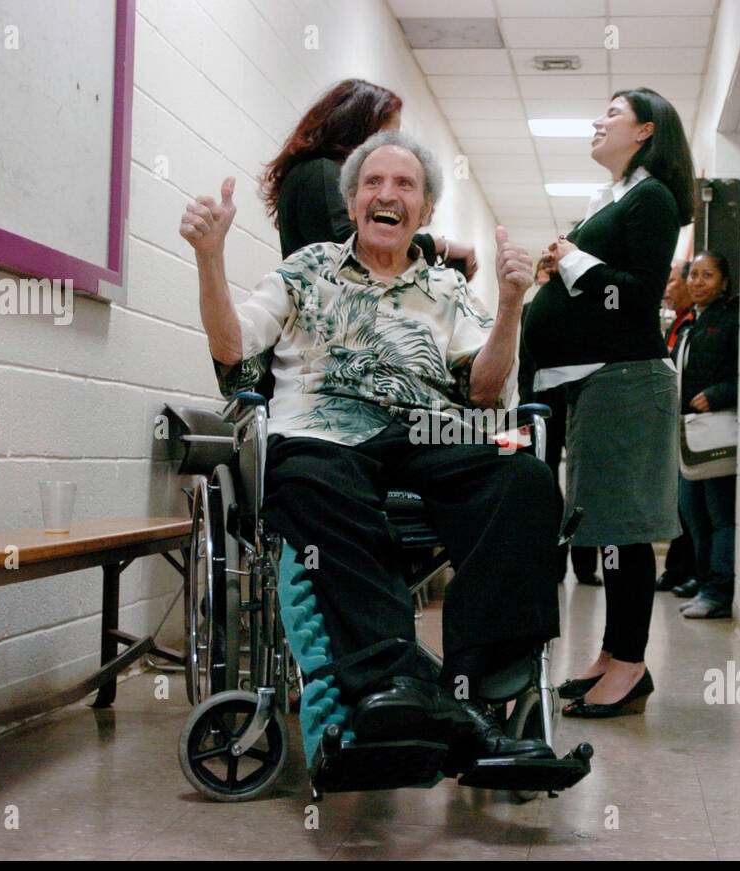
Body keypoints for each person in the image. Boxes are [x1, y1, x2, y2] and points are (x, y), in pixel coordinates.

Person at [180, 130, 557, 770]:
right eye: (373, 183)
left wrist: (512, 307)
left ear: (425, 209)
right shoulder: (304, 269)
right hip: (324, 431)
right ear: (353, 200)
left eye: (404, 185)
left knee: (521, 470)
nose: (387, 195)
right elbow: (233, 348)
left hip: (428, 427)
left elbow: (487, 390)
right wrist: (209, 258)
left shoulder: (449, 289)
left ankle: (476, 693)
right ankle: (395, 683)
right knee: (306, 481)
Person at [522, 88, 695, 718]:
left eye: (612, 113)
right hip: (596, 381)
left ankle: (630, 667)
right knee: (604, 528)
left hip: (624, 380)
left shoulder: (652, 198)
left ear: (646, 131)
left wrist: (572, 261)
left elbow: (635, 295)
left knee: (622, 532)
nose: (598, 120)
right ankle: (611, 656)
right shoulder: (617, 197)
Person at [260, 78, 476, 276]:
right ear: (358, 128)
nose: (389, 147)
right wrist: (436, 245)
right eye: (386, 136)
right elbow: (354, 246)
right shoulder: (321, 172)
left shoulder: (317, 172)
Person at [518, 265, 602, 587]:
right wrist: (526, 407)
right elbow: (526, 364)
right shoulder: (529, 312)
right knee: (544, 478)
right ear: (538, 276)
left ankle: (585, 566)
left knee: (584, 483)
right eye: (545, 269)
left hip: (579, 403)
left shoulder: (585, 308)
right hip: (541, 407)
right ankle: (551, 563)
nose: (550, 275)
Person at [675, 250, 739, 619]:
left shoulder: (730, 322)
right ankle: (703, 585)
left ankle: (718, 593)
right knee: (693, 515)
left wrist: (716, 395)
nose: (698, 282)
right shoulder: (688, 325)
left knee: (720, 518)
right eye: (693, 275)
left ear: (723, 282)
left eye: (707, 275)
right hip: (688, 434)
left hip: (717, 433)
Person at [656, 260, 698, 597]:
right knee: (681, 503)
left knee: (691, 507)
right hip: (674, 426)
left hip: (695, 427)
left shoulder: (694, 325)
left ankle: (685, 570)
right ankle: (676, 569)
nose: (667, 288)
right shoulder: (679, 326)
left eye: (672, 281)